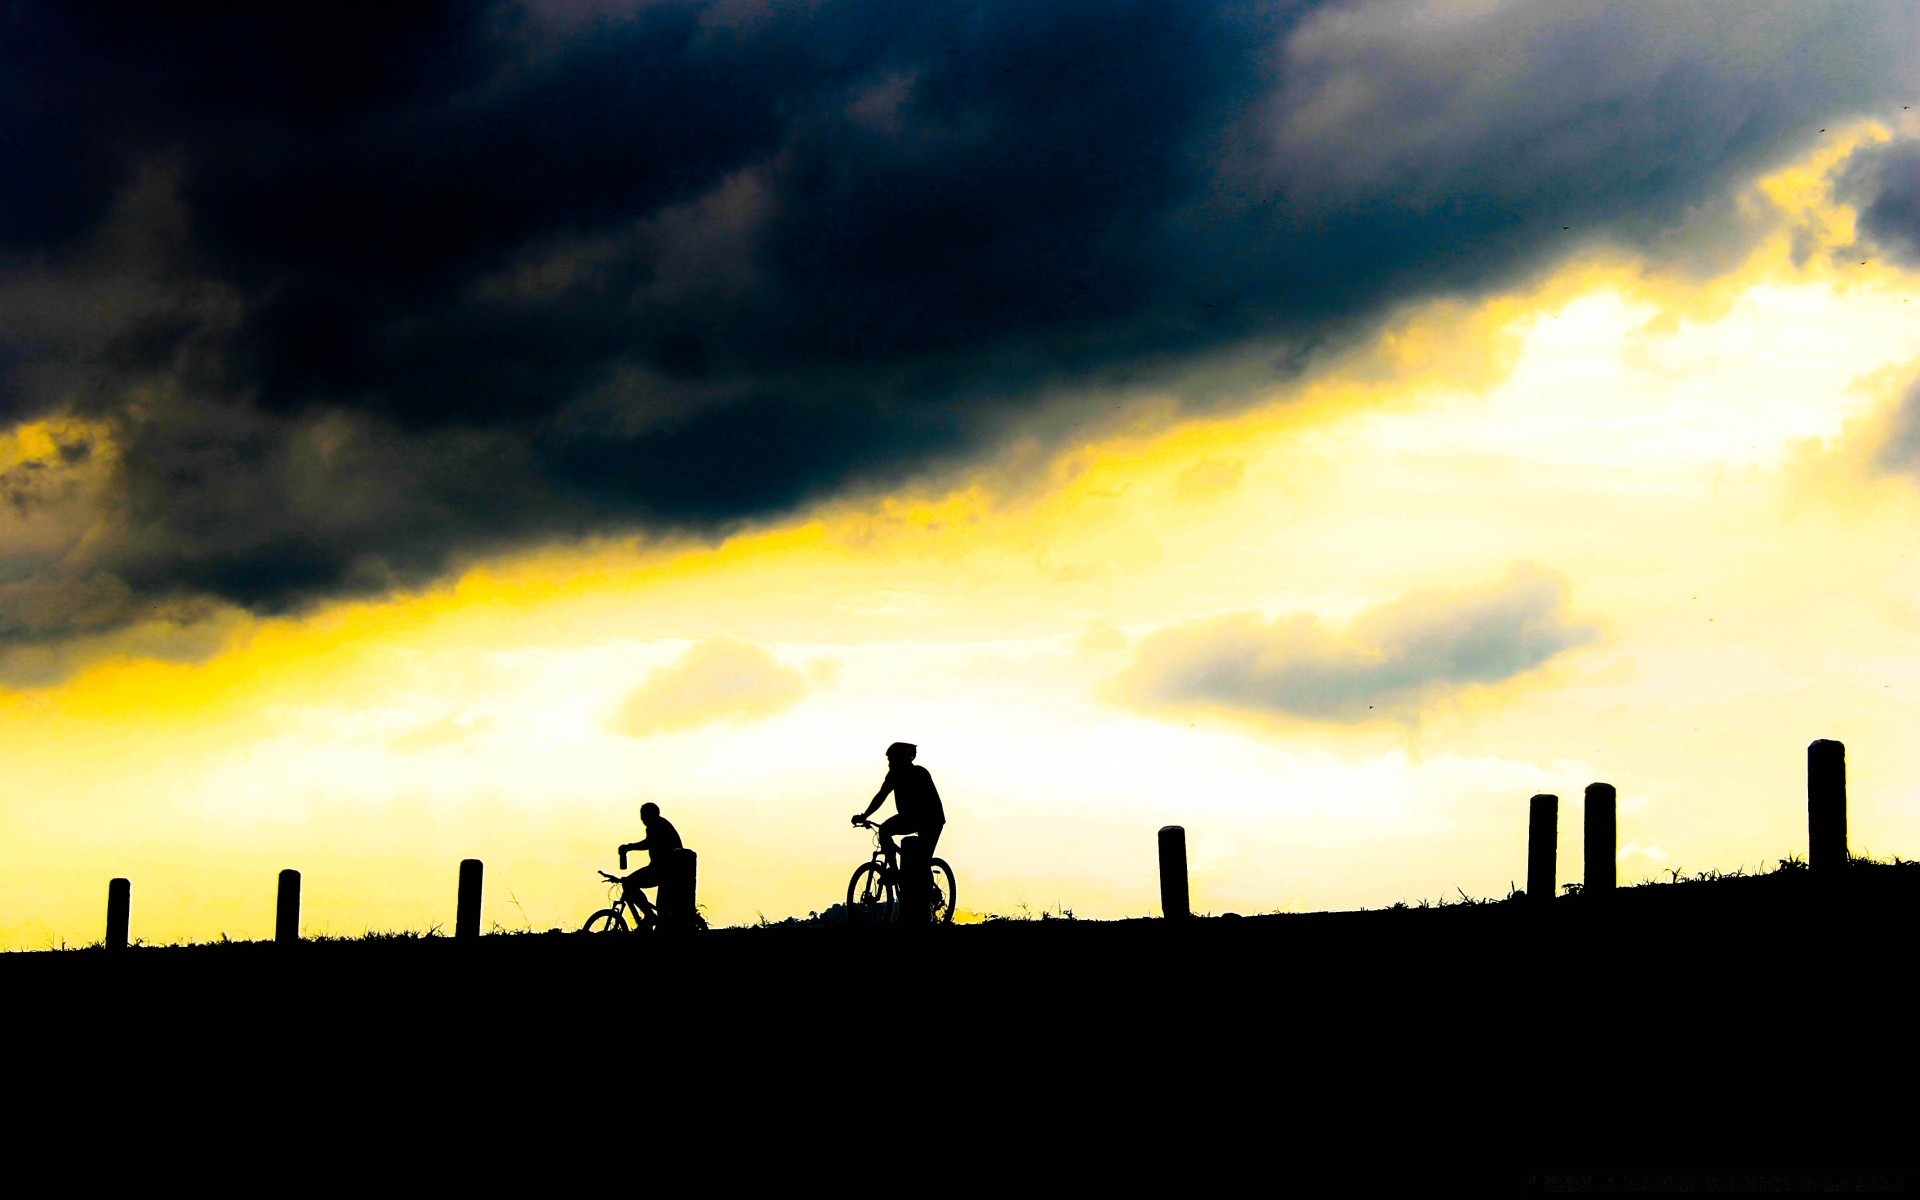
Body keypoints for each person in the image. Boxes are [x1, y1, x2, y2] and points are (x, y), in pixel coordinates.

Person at [852, 742, 946, 865]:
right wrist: (864, 815)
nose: (889, 763)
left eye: (892, 759)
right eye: (888, 759)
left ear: (902, 758)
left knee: (921, 862)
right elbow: (881, 796)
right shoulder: (893, 775)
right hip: (910, 818)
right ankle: (894, 870)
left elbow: (926, 804)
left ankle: (920, 880)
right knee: (884, 831)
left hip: (931, 820)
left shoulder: (919, 773)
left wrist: (865, 816)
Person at [618, 802, 683, 896]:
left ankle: (647, 911)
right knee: (630, 882)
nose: (642, 819)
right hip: (664, 868)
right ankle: (647, 910)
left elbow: (649, 843)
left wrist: (629, 847)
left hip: (663, 868)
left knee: (629, 883)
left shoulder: (657, 825)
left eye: (644, 815)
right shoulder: (661, 823)